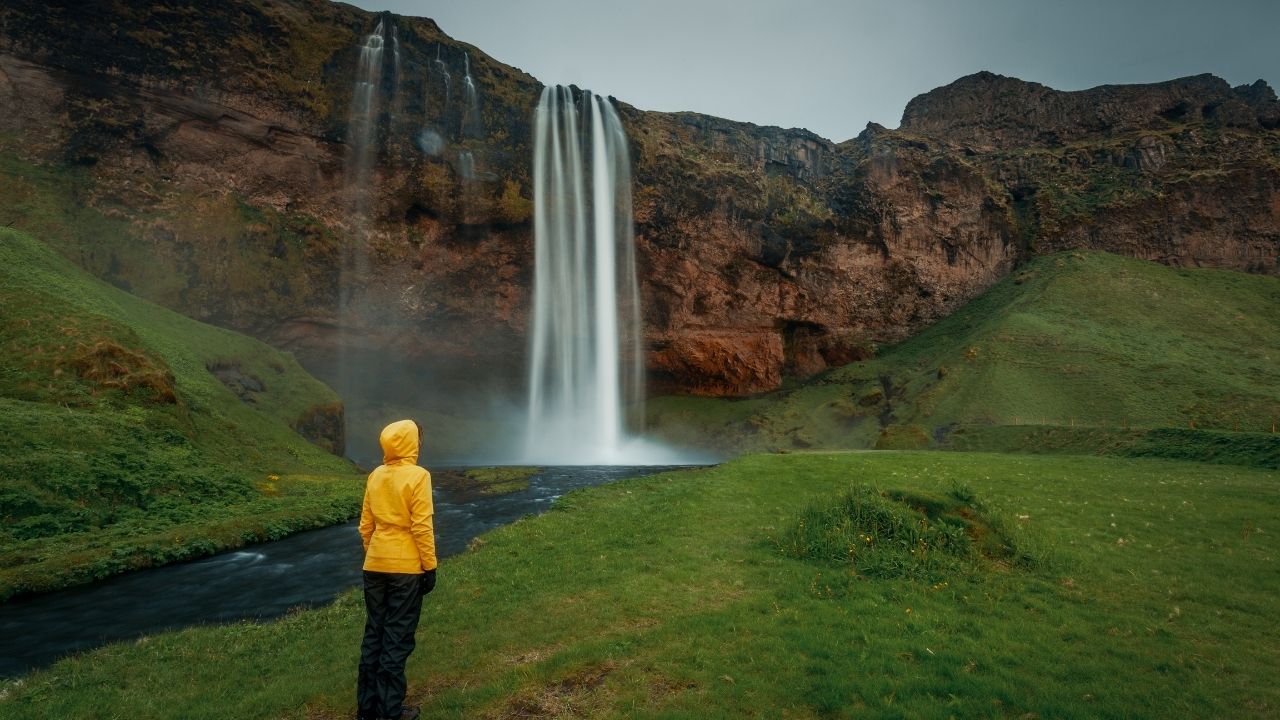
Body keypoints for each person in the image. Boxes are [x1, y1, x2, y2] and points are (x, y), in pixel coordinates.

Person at [356, 419, 437, 720]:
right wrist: (429, 566)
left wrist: (376, 552)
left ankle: (367, 708)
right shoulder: (418, 476)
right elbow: (421, 526)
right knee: (397, 636)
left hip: (374, 565)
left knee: (374, 633)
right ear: (411, 443)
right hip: (405, 569)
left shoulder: (375, 476)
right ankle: (390, 712)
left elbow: (366, 526)